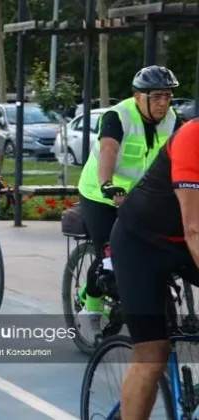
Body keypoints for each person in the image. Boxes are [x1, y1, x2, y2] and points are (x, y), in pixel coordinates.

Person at [76, 65, 182, 342]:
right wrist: (107, 184)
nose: (163, 103)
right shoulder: (118, 115)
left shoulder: (172, 120)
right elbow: (109, 149)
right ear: (139, 97)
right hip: (101, 193)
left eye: (168, 96)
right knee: (109, 254)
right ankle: (91, 308)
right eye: (157, 96)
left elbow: (184, 156)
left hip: (141, 197)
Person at [110, 117, 199, 419]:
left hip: (184, 246)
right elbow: (194, 229)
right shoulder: (193, 136)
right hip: (141, 245)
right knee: (152, 357)